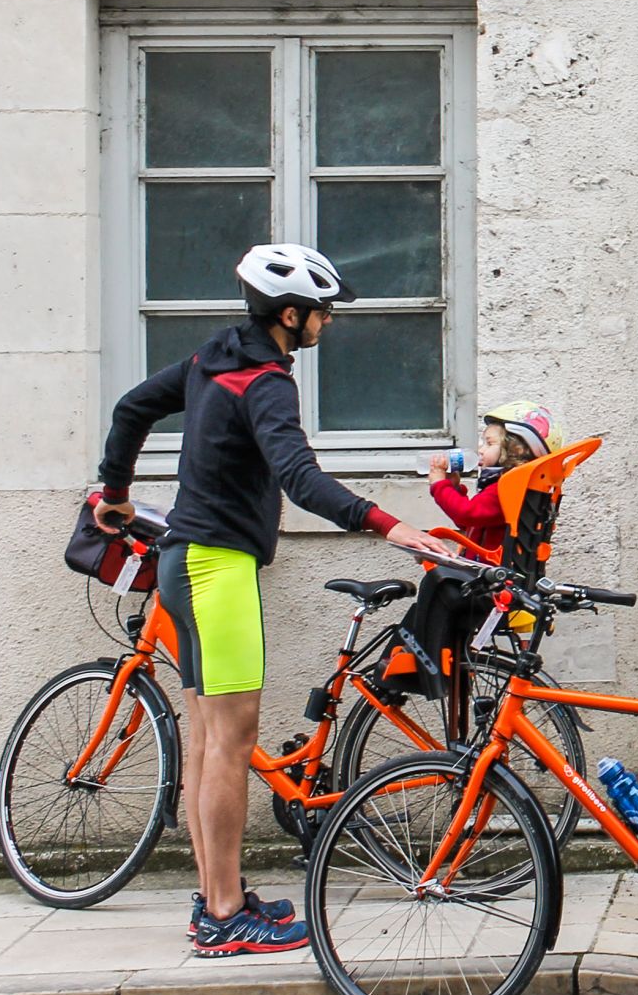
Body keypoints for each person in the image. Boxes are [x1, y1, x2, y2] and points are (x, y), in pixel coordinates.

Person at [93, 243, 456, 957]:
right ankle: (226, 914)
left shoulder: (213, 359)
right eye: (321, 311)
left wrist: (114, 493)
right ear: (290, 315)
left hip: (180, 560)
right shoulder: (264, 382)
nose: (327, 320)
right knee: (230, 740)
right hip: (216, 570)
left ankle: (214, 898)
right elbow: (300, 476)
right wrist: (391, 523)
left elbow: (132, 406)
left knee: (207, 739)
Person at [427, 399, 559, 555]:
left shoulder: (508, 489)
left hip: (490, 573)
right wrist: (454, 488)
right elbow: (472, 523)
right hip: (487, 570)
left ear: (515, 450)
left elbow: (467, 514)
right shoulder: (512, 485)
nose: (480, 450)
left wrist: (440, 485)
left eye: (489, 443)